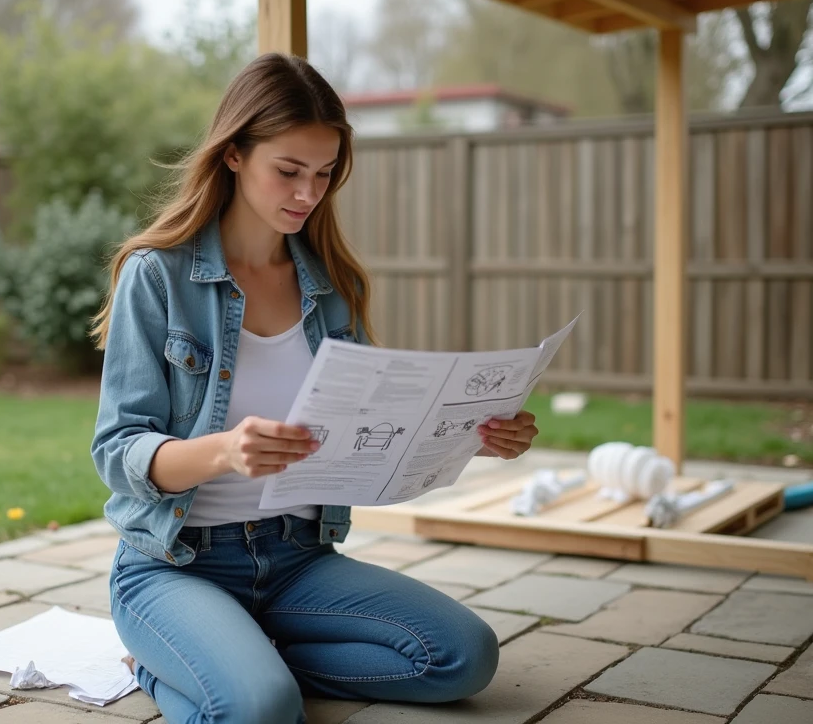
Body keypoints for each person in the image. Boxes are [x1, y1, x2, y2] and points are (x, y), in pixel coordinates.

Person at [90, 52, 539, 724]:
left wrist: (472, 435)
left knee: (462, 657)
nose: (308, 193)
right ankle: (165, 665)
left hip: (296, 557)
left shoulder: (335, 286)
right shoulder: (156, 276)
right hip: (177, 565)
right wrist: (221, 452)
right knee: (266, 712)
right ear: (235, 154)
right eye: (289, 171)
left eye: (324, 174)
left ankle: (244, 658)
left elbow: (370, 431)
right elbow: (117, 452)